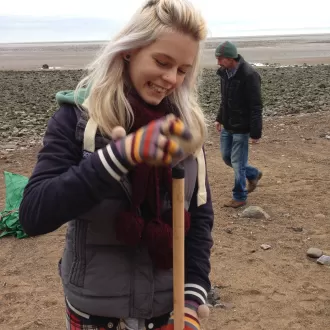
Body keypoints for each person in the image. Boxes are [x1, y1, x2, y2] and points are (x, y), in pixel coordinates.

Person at [19, 0, 214, 329]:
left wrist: (193, 300)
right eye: (162, 62)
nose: (171, 78)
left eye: (182, 70)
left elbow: (198, 219)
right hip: (96, 314)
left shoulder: (185, 130)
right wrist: (117, 157)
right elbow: (34, 214)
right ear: (130, 50)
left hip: (168, 310)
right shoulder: (76, 121)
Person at [214, 41, 263, 208]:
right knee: (227, 157)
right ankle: (253, 173)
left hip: (242, 128)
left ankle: (240, 196)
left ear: (230, 58)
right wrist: (220, 118)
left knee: (237, 162)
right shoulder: (224, 73)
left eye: (220, 59)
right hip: (228, 125)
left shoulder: (249, 75)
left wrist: (255, 132)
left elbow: (256, 106)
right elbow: (224, 100)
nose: (218, 62)